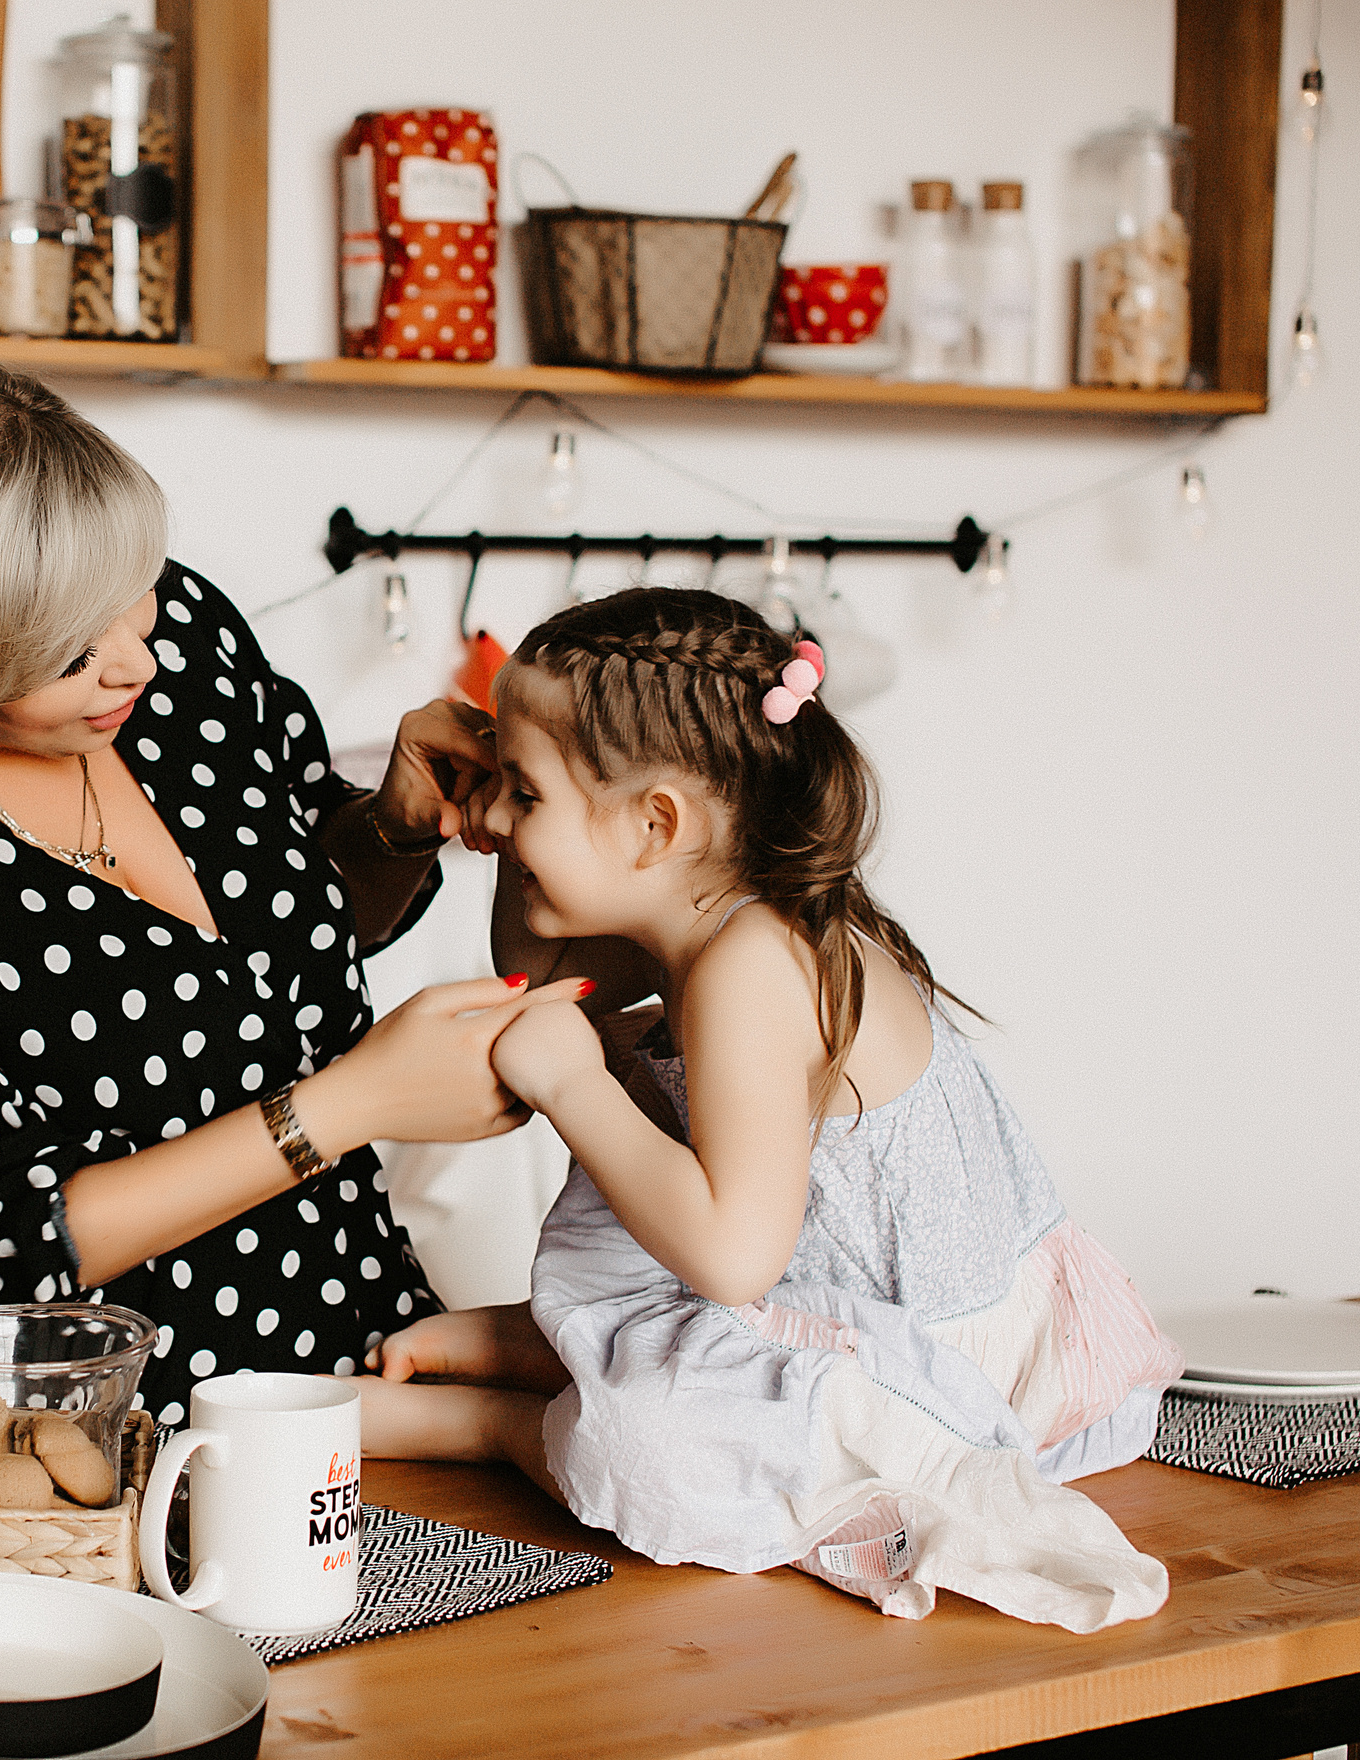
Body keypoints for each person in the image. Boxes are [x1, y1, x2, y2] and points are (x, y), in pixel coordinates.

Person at [0, 362, 581, 1427]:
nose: (136, 660)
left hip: (367, 1362)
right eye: (77, 651)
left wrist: (390, 829)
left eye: (138, 597)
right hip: (95, 1440)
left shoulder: (186, 649)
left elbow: (292, 949)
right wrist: (347, 1105)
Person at [356, 587, 1185, 1633]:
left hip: (930, 1377)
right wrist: (488, 829)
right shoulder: (704, 906)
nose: (498, 815)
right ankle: (556, 1351)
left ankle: (493, 1423)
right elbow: (537, 971)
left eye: (523, 792)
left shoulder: (752, 960)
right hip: (826, 1318)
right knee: (628, 1100)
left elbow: (733, 1259)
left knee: (649, 1442)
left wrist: (573, 1086)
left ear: (654, 824)